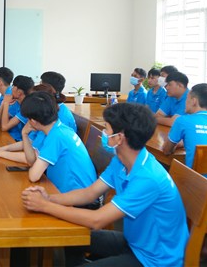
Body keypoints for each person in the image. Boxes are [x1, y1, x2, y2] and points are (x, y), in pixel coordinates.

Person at [22, 103, 188, 266]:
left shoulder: (147, 178)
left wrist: (44, 206)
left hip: (155, 259)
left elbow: (97, 220)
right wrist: (49, 198)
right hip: (135, 242)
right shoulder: (122, 161)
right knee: (70, 237)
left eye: (106, 128)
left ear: (119, 138)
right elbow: (89, 193)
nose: (104, 133)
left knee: (75, 233)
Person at [164, 83, 207, 212]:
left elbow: (166, 151)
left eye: (187, 98)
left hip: (198, 198)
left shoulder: (183, 120)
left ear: (194, 101)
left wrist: (178, 144)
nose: (185, 103)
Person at [20, 92, 97, 197]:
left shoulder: (56, 136)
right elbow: (31, 161)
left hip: (79, 199)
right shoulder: (59, 128)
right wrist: (24, 134)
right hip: (77, 193)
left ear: (33, 121)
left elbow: (33, 176)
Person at [0, 75, 34, 142]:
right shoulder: (17, 103)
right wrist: (3, 104)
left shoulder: (28, 108)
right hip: (13, 138)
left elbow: (4, 127)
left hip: (22, 142)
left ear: (19, 92)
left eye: (13, 86)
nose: (11, 89)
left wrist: (6, 103)